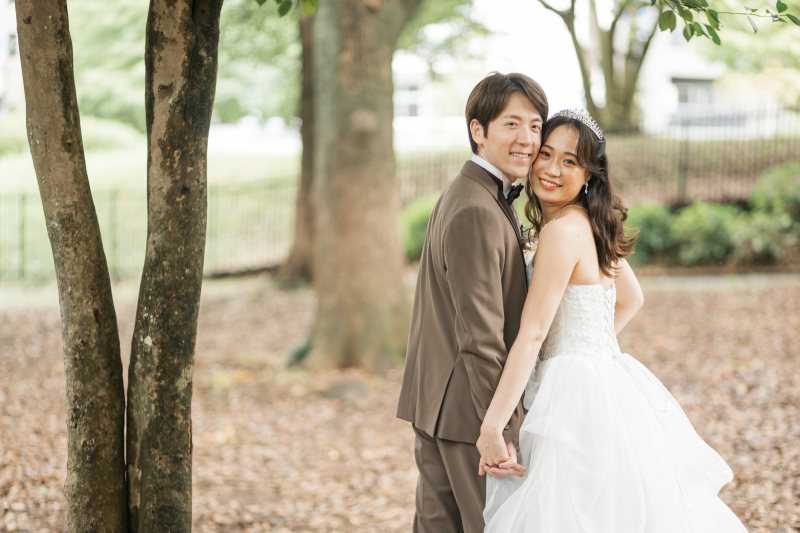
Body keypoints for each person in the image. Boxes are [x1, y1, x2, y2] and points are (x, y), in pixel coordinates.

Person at [478, 108, 749, 532]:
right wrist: (592, 348)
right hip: (607, 377)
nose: (550, 169)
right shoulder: (589, 222)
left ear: (589, 175)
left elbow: (532, 335)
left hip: (574, 393)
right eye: (545, 154)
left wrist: (493, 425)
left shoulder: (562, 231)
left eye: (569, 161)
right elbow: (632, 299)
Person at [396, 71, 548, 533]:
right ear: (477, 131)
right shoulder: (477, 210)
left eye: (536, 126)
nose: (527, 139)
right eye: (512, 124)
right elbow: (480, 336)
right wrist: (500, 430)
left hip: (439, 404)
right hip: (468, 418)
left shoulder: (469, 193)